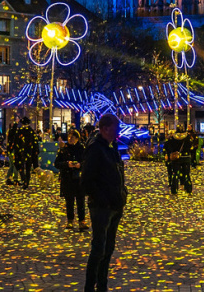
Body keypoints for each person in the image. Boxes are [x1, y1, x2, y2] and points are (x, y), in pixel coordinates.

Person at [82, 114, 127, 292]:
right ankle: (89, 286)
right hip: (102, 207)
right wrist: (105, 200)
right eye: (116, 127)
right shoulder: (95, 149)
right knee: (99, 250)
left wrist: (122, 194)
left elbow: (117, 174)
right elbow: (87, 182)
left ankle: (102, 285)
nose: (119, 130)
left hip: (115, 205)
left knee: (108, 249)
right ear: (105, 128)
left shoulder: (111, 146)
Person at [55, 129, 88, 230]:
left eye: (72, 137)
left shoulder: (82, 149)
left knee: (80, 201)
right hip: (67, 179)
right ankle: (70, 221)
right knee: (69, 201)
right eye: (69, 137)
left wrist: (80, 165)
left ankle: (82, 221)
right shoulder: (64, 150)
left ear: (77, 139)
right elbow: (56, 164)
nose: (70, 139)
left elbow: (87, 162)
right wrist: (67, 164)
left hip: (79, 179)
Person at [163, 126, 194, 195]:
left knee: (175, 173)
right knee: (186, 174)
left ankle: (174, 189)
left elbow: (168, 146)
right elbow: (191, 147)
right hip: (186, 157)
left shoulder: (172, 138)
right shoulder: (187, 137)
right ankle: (188, 188)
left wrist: (171, 152)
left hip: (176, 158)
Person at [13, 117, 38, 190]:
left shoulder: (20, 131)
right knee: (28, 168)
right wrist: (35, 152)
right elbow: (35, 143)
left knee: (21, 167)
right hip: (29, 152)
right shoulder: (31, 131)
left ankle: (24, 180)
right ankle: (26, 181)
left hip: (21, 152)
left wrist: (16, 150)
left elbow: (16, 141)